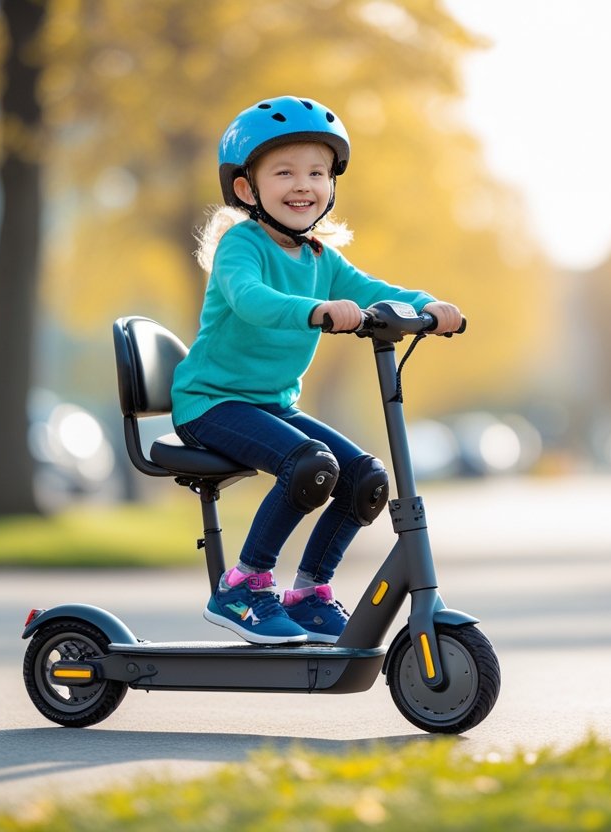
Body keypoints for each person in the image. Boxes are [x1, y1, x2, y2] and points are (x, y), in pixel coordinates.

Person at [171, 95, 462, 645]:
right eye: (284, 172)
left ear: (331, 185)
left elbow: (377, 292)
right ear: (246, 189)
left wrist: (429, 305)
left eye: (317, 172)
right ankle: (244, 587)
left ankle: (308, 595)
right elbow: (251, 298)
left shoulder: (321, 259)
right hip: (210, 403)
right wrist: (313, 310)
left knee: (365, 479)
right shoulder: (242, 246)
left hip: (271, 403)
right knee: (309, 466)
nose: (303, 184)